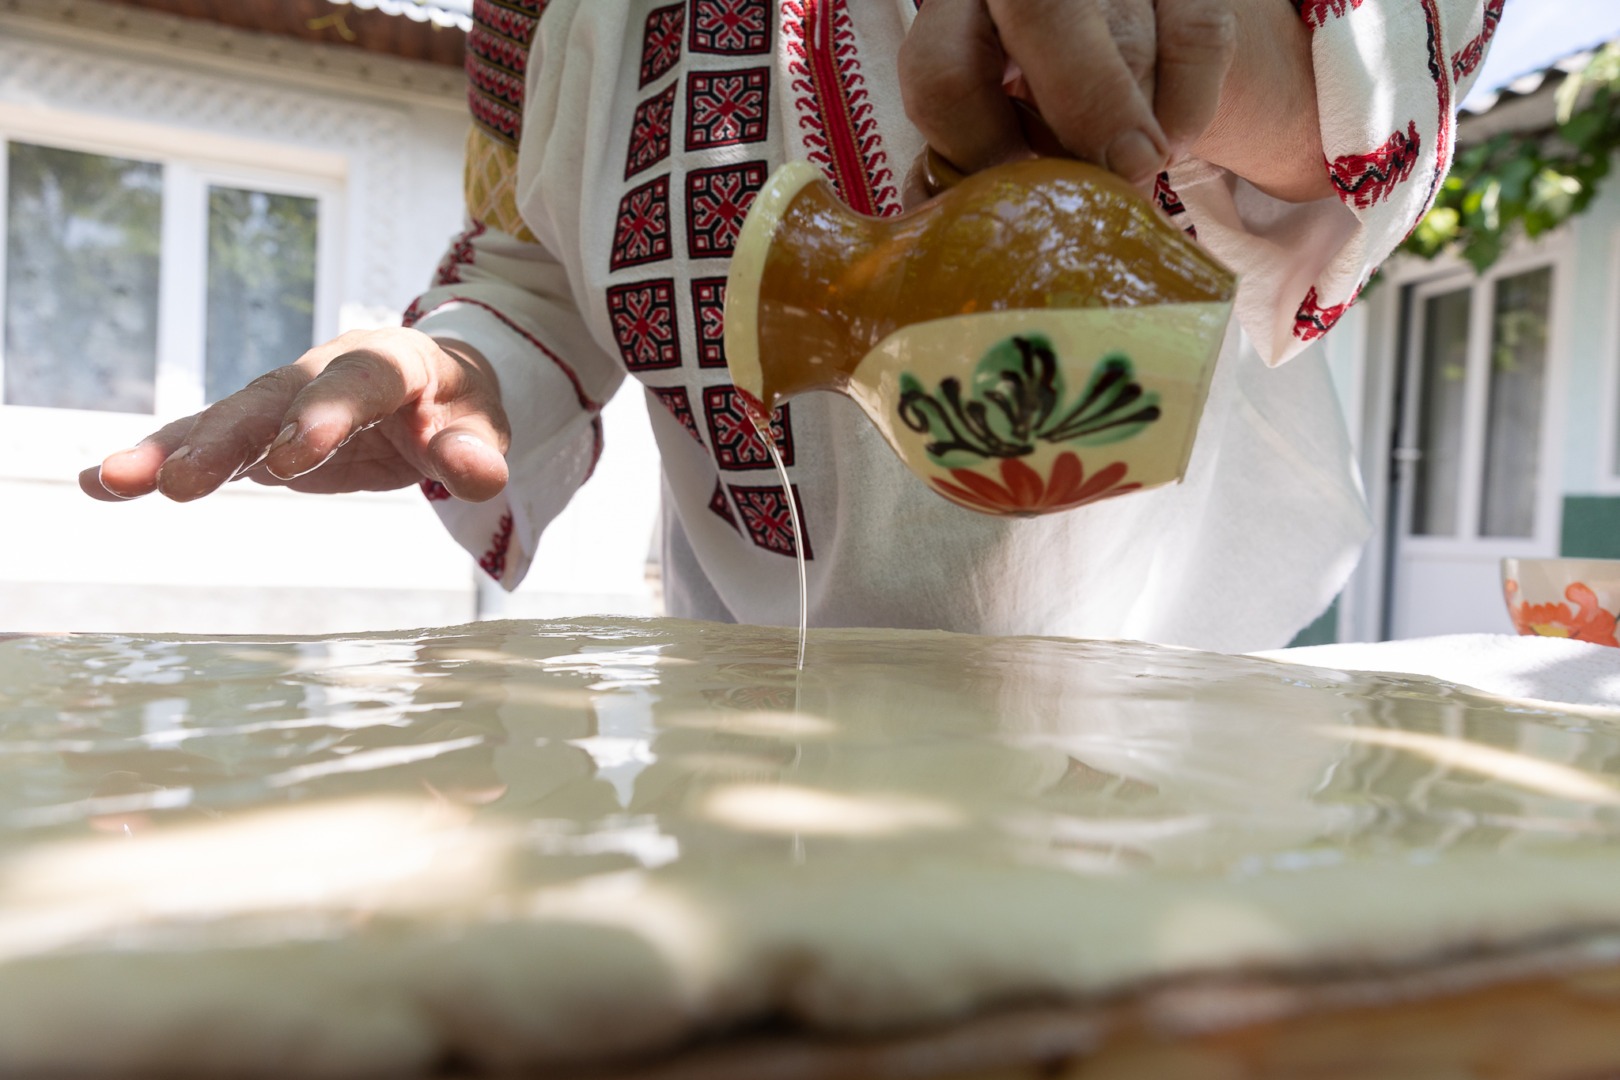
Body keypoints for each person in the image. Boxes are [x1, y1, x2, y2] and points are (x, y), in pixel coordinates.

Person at [80, 0, 1498, 652]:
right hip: (746, 734)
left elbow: (1376, 70)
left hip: (1159, 741)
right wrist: (466, 362)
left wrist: (1193, 40)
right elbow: (536, 265)